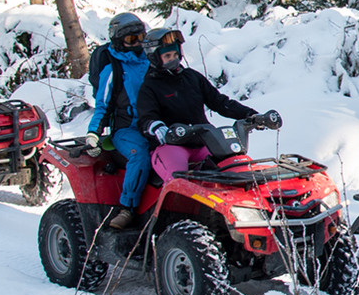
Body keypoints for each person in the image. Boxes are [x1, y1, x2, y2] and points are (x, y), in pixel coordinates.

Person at [131, 28, 282, 229]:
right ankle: (170, 229)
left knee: (237, 170)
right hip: (171, 146)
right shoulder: (149, 87)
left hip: (203, 141)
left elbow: (220, 102)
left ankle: (250, 217)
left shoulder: (192, 77)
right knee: (181, 183)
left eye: (176, 54)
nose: (174, 59)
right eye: (167, 56)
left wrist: (251, 116)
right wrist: (158, 128)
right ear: (155, 57)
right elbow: (146, 118)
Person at [84, 13, 154, 226]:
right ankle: (128, 208)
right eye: (131, 40)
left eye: (141, 37)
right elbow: (103, 105)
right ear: (119, 41)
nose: (138, 44)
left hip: (154, 124)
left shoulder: (152, 62)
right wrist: (93, 133)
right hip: (126, 129)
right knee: (140, 154)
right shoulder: (113, 69)